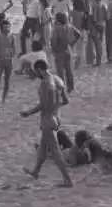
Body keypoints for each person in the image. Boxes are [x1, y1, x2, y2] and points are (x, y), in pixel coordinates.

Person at [20, 59, 73, 188]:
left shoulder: (45, 84)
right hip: (56, 117)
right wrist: (55, 106)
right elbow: (66, 100)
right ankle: (36, 171)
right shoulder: (58, 79)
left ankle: (67, 180)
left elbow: (43, 106)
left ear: (39, 70)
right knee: (43, 147)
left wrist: (28, 112)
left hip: (47, 119)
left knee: (55, 151)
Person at [0, 19, 16, 103]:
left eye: (8, 26)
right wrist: (3, 56)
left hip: (9, 62)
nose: (8, 28)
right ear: (1, 28)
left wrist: (11, 54)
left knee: (7, 81)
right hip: (1, 62)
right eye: (6, 27)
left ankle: (3, 100)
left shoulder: (12, 36)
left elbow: (14, 48)